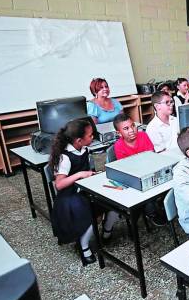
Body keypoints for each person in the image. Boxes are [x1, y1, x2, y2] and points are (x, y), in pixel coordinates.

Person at [49, 119, 114, 266]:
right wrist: (80, 175)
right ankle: (83, 247)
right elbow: (59, 185)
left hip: (85, 189)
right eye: (90, 136)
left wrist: (92, 174)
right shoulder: (65, 157)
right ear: (79, 140)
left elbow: (87, 171)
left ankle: (107, 231)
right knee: (88, 214)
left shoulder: (84, 149)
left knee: (114, 204)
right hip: (69, 196)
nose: (93, 137)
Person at [112, 113, 166, 226]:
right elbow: (128, 169)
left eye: (132, 125)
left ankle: (162, 204)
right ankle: (151, 213)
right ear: (118, 133)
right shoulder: (119, 146)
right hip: (135, 179)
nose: (131, 130)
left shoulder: (143, 135)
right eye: (126, 128)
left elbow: (152, 157)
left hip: (151, 172)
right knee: (143, 193)